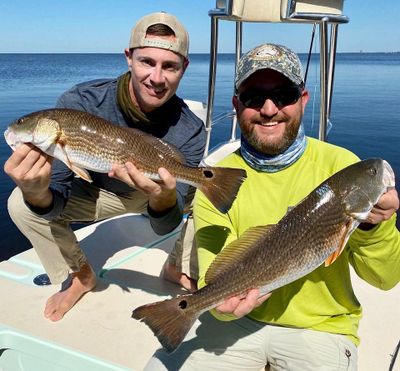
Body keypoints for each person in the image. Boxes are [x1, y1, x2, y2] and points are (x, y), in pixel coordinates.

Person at [145, 43, 400, 370]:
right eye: (253, 97)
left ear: (303, 100)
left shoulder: (341, 165)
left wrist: (371, 226)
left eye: (283, 95)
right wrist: (217, 306)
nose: (269, 109)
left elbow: (385, 279)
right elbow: (217, 274)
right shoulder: (215, 181)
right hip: (236, 322)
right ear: (237, 105)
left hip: (321, 327)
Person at [4, 12, 206, 322]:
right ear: (128, 57)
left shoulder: (190, 129)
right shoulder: (80, 102)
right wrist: (36, 192)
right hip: (99, 191)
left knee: (210, 194)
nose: (156, 77)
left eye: (169, 66)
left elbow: (165, 225)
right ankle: (81, 276)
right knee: (21, 203)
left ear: (184, 69)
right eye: (146, 62)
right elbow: (57, 191)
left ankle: (177, 265)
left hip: (156, 195)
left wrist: (163, 198)